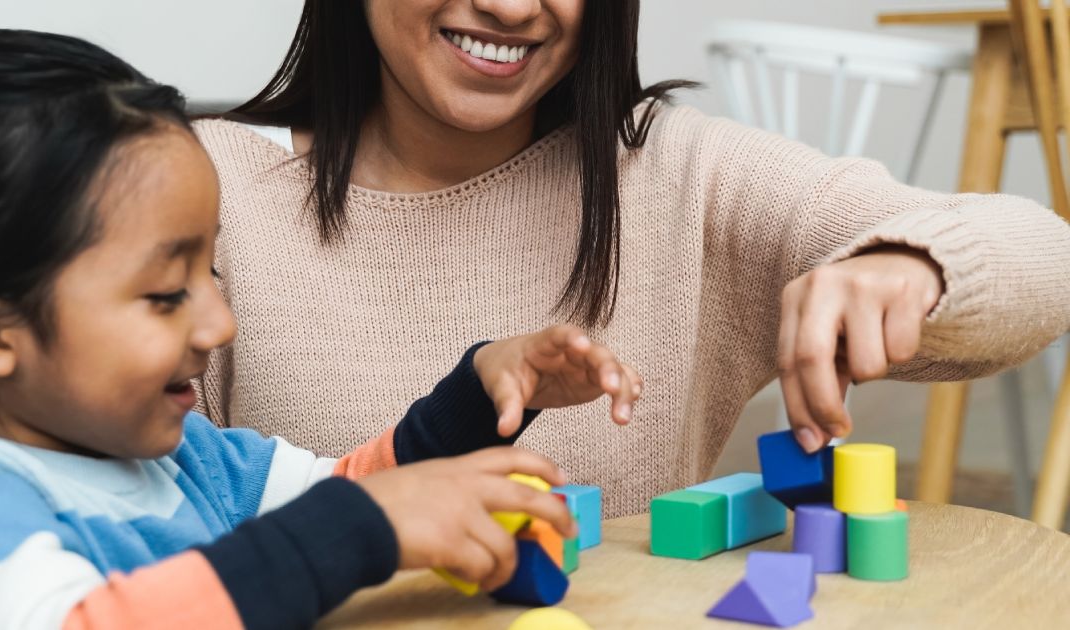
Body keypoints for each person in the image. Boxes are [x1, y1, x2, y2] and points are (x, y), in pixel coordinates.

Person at [0, 30, 644, 629]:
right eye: (165, 294)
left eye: (210, 273)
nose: (220, 323)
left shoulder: (188, 459)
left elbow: (352, 498)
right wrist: (352, 529)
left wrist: (475, 397)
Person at [194, 0, 1070, 516]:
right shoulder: (205, 192)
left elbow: (1046, 257)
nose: (509, 6)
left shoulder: (676, 174)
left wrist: (906, 262)